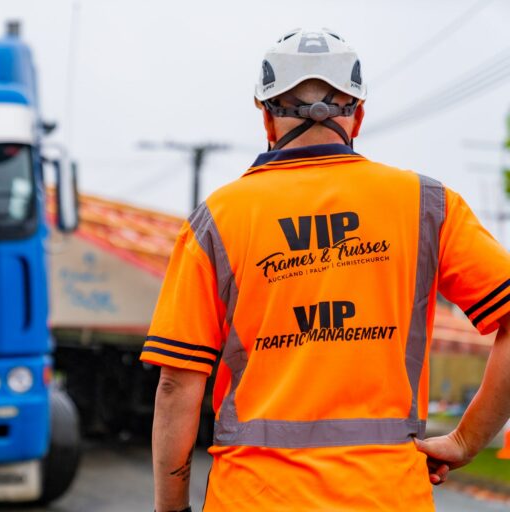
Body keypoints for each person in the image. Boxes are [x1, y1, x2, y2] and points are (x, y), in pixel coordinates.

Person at [140, 28, 510, 511]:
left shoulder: (219, 219)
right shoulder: (427, 205)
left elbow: (175, 385)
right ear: (356, 114)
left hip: (252, 497)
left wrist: (172, 508)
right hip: (387, 497)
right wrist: (465, 441)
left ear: (266, 117)